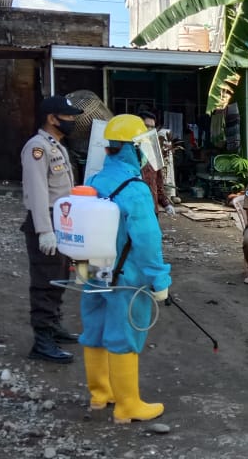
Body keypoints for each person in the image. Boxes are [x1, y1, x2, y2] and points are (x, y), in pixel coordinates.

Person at [81, 114, 172, 424]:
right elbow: (147, 240)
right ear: (132, 149)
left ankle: (100, 394)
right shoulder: (135, 189)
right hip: (126, 277)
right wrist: (160, 280)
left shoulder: (92, 181)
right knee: (123, 335)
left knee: (94, 330)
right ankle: (127, 405)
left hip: (93, 270)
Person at [20, 95, 83, 364]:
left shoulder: (57, 146)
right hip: (45, 220)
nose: (72, 120)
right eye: (67, 116)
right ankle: (42, 341)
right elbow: (37, 190)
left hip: (61, 219)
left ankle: (54, 327)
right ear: (52, 118)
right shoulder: (37, 147)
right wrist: (44, 230)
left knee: (59, 276)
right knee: (45, 281)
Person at [138, 111, 175, 217]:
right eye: (146, 126)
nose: (149, 130)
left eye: (152, 127)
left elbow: (158, 182)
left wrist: (165, 204)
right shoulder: (130, 150)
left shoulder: (154, 150)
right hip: (135, 208)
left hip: (152, 208)